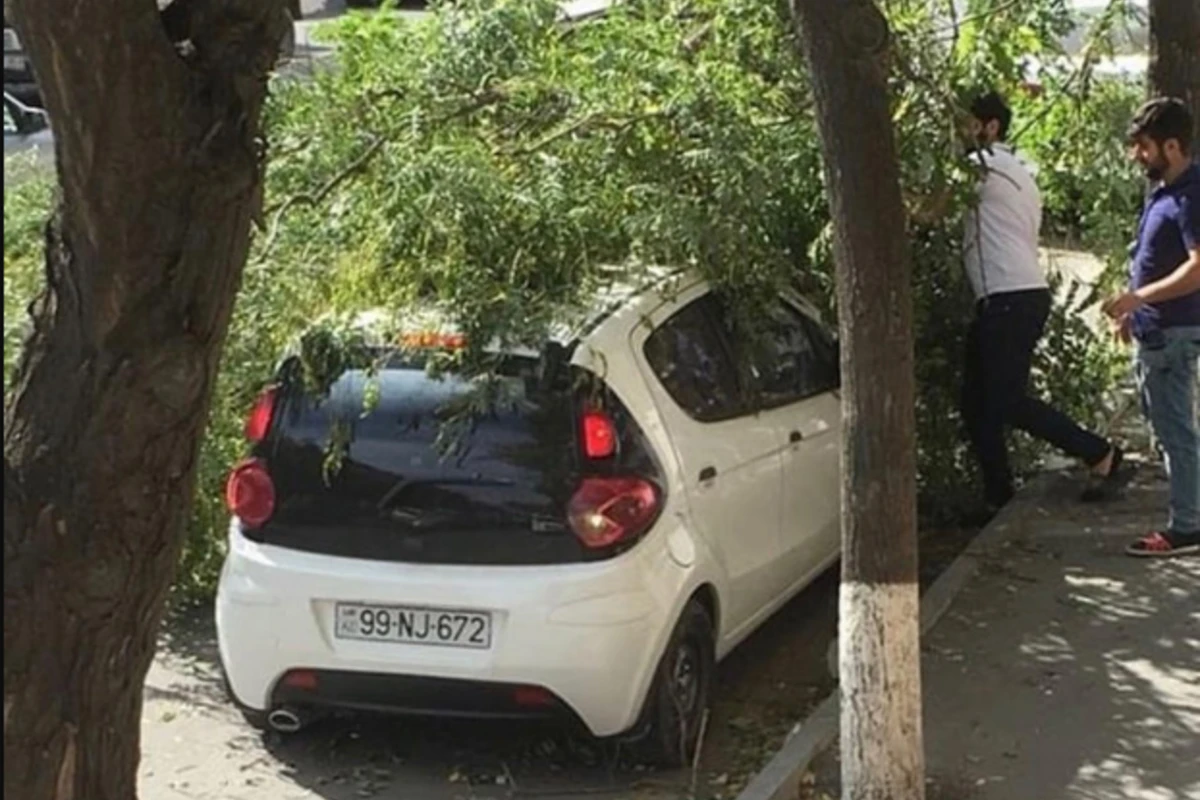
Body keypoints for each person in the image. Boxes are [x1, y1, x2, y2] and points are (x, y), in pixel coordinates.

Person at [959, 91, 1126, 512]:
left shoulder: (983, 164)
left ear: (989, 126)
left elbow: (927, 207)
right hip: (1011, 296)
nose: (956, 132)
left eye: (963, 122)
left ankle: (1099, 452)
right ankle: (997, 497)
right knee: (977, 403)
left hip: (1009, 297)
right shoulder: (1016, 168)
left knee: (1005, 400)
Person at [1102, 97, 1200, 558]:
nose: (1137, 156)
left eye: (1144, 146)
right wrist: (1133, 311)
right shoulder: (1167, 193)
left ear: (1174, 146)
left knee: (1175, 431)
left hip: (1173, 335)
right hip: (1157, 332)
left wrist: (1139, 298)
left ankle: (1188, 526)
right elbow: (1156, 261)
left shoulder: (1189, 196)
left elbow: (1198, 270)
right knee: (1167, 427)